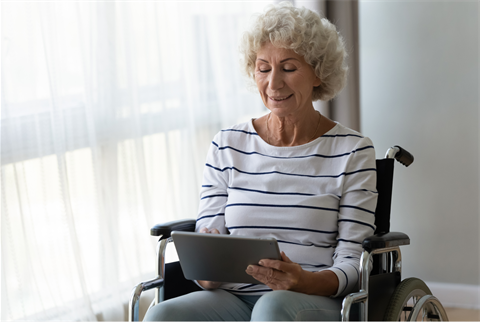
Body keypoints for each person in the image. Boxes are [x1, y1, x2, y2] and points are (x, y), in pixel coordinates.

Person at [144, 2, 377, 321]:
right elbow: (208, 242)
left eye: (289, 68)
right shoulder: (228, 144)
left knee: (272, 307)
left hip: (313, 299)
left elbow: (355, 264)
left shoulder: (352, 151)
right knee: (163, 315)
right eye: (263, 68)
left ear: (318, 73)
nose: (273, 84)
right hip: (233, 297)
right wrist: (206, 272)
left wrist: (304, 281)